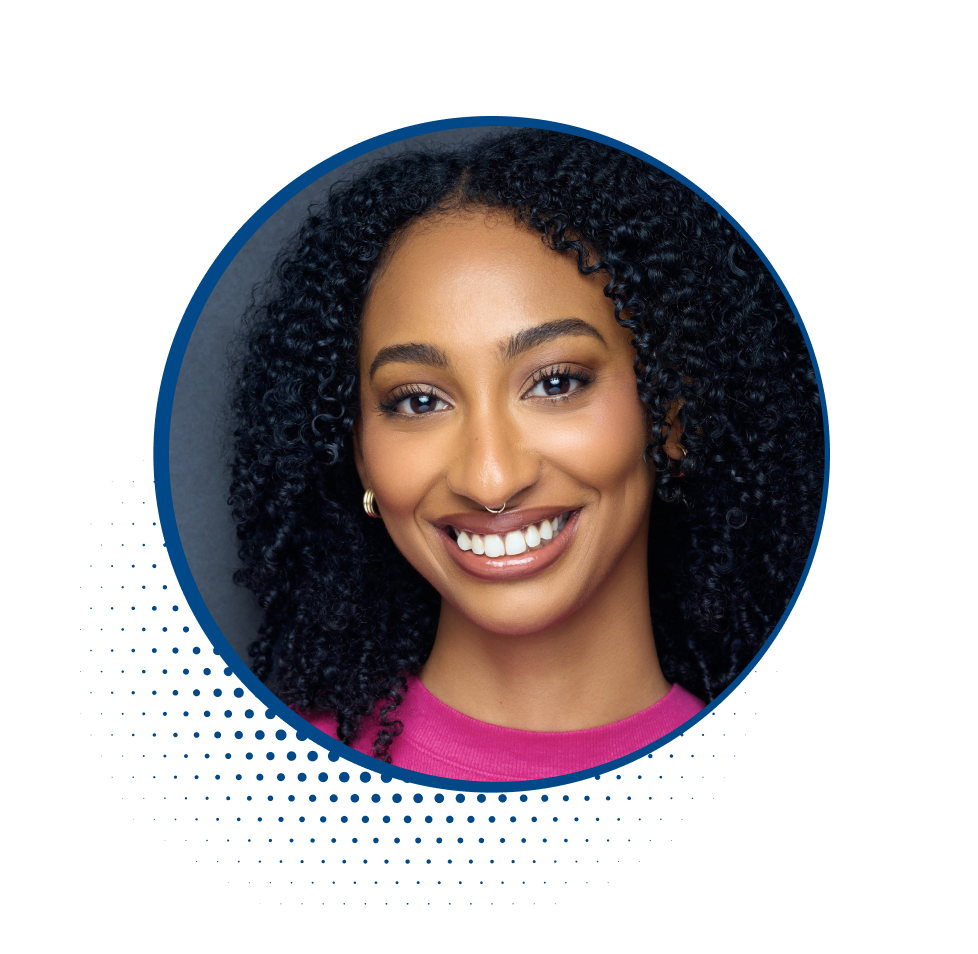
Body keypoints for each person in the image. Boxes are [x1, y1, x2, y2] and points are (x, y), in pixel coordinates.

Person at [225, 128, 824, 781]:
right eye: (419, 402)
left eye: (556, 383)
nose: (491, 478)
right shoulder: (264, 781)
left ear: (673, 412)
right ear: (361, 456)